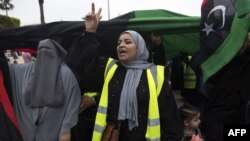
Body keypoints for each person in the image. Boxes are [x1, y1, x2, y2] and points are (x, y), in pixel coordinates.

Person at [65, 3, 183, 141]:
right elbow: (78, 62)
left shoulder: (154, 74)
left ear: (139, 48)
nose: (121, 45)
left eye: (128, 42)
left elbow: (171, 121)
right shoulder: (111, 68)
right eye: (119, 43)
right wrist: (90, 32)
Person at [8, 39, 81, 141]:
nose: (44, 54)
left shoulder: (67, 75)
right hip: (26, 134)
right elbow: (9, 70)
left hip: (52, 134)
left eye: (48, 50)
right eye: (41, 50)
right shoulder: (28, 70)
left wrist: (65, 130)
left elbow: (72, 106)